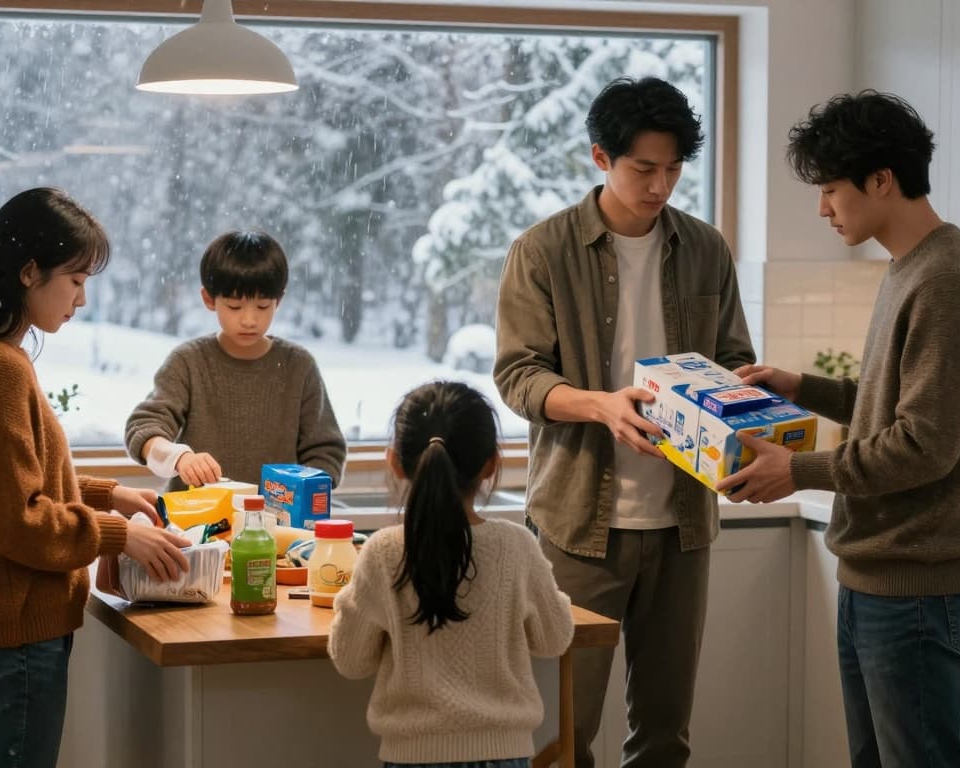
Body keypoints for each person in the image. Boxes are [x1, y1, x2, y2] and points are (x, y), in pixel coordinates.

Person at [715, 91, 960, 768]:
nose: (822, 208)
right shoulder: (911, 268)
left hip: (917, 591)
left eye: (830, 188)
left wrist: (796, 470)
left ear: (882, 180)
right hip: (881, 579)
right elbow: (896, 410)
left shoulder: (947, 282)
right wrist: (801, 387)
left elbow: (923, 447)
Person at [494, 76, 754, 767]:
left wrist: (744, 410)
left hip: (684, 523)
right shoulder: (542, 251)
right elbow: (517, 377)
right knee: (562, 731)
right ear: (600, 158)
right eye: (644, 168)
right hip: (579, 526)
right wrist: (600, 404)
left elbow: (734, 361)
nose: (660, 185)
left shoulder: (705, 249)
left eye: (672, 169)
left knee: (666, 736)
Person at [0, 187, 191, 768]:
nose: (82, 299)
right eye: (76, 279)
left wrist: (107, 493)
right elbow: (15, 519)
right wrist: (118, 533)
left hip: (1, 637)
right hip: (14, 640)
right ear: (29, 272)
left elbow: (14, 481)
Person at [328, 380, 575, 768]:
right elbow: (554, 638)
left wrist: (347, 597)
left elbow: (351, 661)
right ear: (492, 464)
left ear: (395, 462)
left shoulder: (383, 551)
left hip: (412, 757)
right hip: (506, 754)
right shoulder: (517, 546)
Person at [125, 229, 346, 490]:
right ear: (209, 299)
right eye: (234, 307)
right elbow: (145, 428)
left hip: (277, 522)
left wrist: (303, 492)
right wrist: (179, 458)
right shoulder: (189, 361)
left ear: (279, 300)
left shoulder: (299, 366)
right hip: (196, 524)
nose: (249, 320)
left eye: (263, 306)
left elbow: (325, 451)